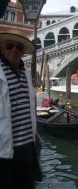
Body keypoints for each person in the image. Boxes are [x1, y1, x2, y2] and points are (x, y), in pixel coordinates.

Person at [0, 30, 41, 189]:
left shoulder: (26, 73)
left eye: (19, 47)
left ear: (23, 51)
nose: (14, 50)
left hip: (27, 147)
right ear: (2, 49)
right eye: (10, 46)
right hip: (4, 149)